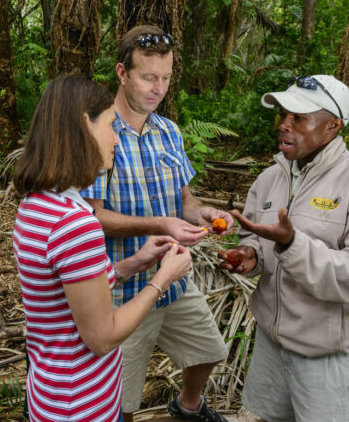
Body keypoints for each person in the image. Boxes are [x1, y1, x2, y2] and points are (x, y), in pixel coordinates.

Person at [12, 75, 192, 422]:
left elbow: (68, 294)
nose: (115, 140)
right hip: (80, 403)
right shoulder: (75, 224)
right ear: (84, 125)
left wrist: (136, 262)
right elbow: (102, 337)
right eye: (110, 125)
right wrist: (162, 280)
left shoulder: (37, 204)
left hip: (50, 392)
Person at [219, 75, 349, 421]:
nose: (285, 125)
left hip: (325, 357)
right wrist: (250, 256)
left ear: (333, 125)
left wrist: (293, 244)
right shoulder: (270, 178)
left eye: (299, 118)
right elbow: (254, 238)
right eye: (284, 115)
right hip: (270, 345)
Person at [81, 25, 232, 422]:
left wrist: (202, 213)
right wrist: (161, 224)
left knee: (209, 350)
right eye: (149, 77)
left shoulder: (169, 131)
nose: (158, 88)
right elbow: (90, 216)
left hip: (175, 279)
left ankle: (188, 407)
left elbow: (184, 199)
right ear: (122, 72)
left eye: (165, 78)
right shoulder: (100, 132)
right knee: (121, 399)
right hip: (122, 289)